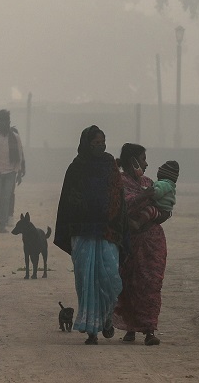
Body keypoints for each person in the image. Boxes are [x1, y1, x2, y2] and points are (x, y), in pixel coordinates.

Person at [53, 125, 126, 345]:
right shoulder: (76, 168)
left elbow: (118, 196)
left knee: (111, 279)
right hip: (83, 232)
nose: (100, 146)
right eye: (96, 143)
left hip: (107, 231)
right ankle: (92, 330)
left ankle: (106, 320)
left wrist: (111, 216)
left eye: (103, 142)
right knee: (86, 282)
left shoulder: (110, 165)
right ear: (87, 144)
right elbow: (68, 200)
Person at [113, 143, 170, 346]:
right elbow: (123, 206)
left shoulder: (148, 182)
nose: (146, 164)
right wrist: (146, 196)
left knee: (151, 284)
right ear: (133, 161)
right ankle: (131, 328)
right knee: (128, 284)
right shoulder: (120, 182)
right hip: (129, 243)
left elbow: (164, 208)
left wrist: (157, 213)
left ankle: (149, 329)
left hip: (152, 242)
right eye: (143, 159)